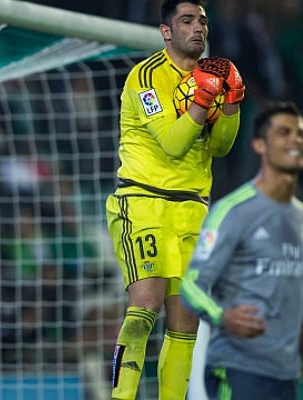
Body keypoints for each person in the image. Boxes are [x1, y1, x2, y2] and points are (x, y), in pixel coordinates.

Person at [180, 101, 303, 399]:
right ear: (260, 145)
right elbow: (191, 285)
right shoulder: (233, 211)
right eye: (284, 133)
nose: (295, 140)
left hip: (285, 376)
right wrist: (224, 317)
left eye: (301, 134)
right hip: (237, 370)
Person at [105, 0, 245, 398]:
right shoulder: (145, 77)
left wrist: (230, 104)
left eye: (202, 20)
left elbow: (219, 147)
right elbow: (172, 144)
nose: (198, 27)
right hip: (143, 200)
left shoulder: (211, 77)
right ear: (167, 31)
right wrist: (204, 99)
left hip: (191, 209)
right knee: (146, 301)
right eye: (187, 21)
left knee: (185, 320)